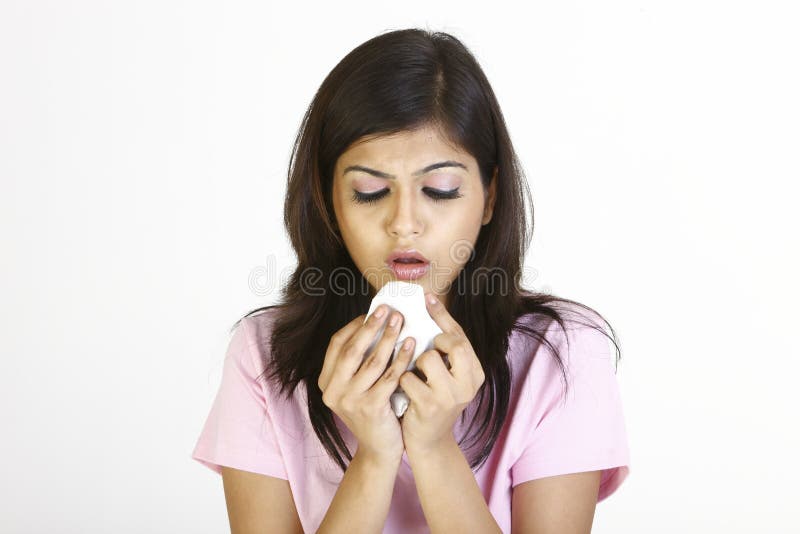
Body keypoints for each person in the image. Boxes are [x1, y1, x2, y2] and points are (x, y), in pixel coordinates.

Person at [191, 28, 630, 533]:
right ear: (329, 201)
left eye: (440, 190)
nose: (404, 223)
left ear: (489, 197)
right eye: (370, 191)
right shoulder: (264, 354)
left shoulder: (563, 353)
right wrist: (374, 458)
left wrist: (434, 449)